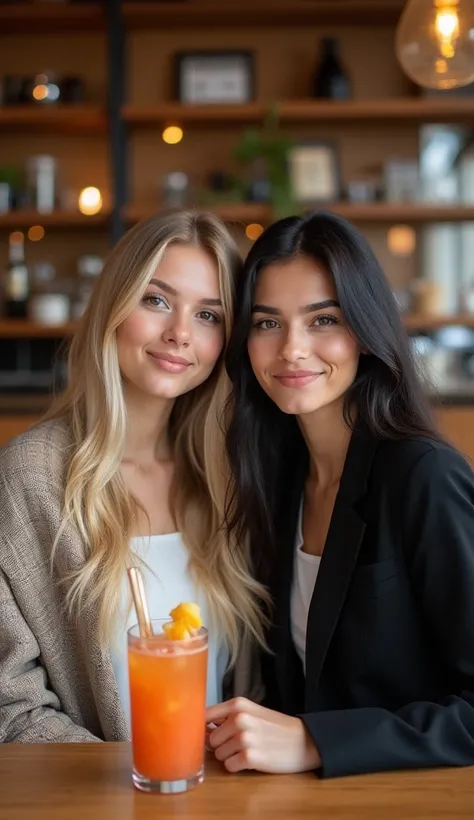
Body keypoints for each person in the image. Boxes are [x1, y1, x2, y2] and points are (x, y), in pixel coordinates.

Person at [206, 210, 474, 777]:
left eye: (322, 319)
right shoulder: (276, 478)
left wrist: (315, 741)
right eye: (267, 322)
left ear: (366, 328)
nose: (292, 349)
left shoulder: (424, 476)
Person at [0, 210, 267, 743]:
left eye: (209, 316)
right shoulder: (29, 477)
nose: (180, 334)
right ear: (114, 307)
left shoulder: (226, 477)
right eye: (157, 300)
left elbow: (255, 684)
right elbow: (12, 708)